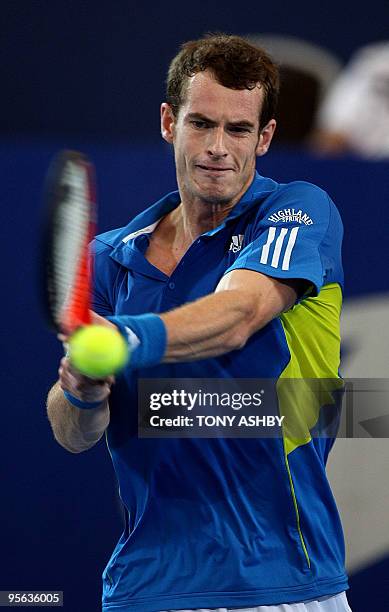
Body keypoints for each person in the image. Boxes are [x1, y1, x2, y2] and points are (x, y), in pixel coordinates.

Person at [47, 34, 352, 612]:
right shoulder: (111, 259)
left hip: (282, 584)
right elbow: (73, 434)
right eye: (200, 123)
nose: (217, 147)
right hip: (145, 588)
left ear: (264, 137)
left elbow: (240, 313)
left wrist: (123, 339)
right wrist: (81, 390)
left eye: (238, 130)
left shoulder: (297, 210)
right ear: (169, 122)